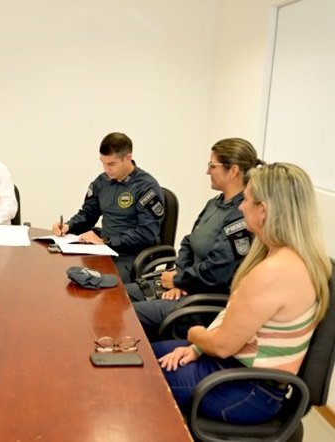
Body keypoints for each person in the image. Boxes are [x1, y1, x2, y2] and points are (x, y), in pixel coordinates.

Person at [153, 162, 331, 425]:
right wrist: (197, 348)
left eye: (246, 200)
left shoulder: (273, 272)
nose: (240, 207)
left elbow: (222, 346)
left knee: (141, 375)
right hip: (239, 373)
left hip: (246, 390)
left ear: (263, 210)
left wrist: (194, 335)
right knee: (147, 355)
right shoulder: (291, 257)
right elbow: (232, 324)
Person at [130, 138, 259, 340]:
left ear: (233, 170)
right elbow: (188, 242)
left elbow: (218, 271)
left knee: (128, 313)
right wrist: (179, 277)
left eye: (212, 166)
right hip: (187, 285)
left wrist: (179, 280)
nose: (207, 171)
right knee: (118, 295)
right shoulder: (214, 203)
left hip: (204, 301)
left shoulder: (241, 214)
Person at [52, 132, 164, 283]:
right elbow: (88, 214)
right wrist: (68, 226)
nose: (106, 169)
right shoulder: (102, 182)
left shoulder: (146, 188)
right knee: (65, 273)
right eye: (103, 163)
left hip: (129, 256)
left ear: (128, 158)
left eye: (111, 164)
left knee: (97, 284)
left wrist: (107, 242)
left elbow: (146, 233)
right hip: (101, 248)